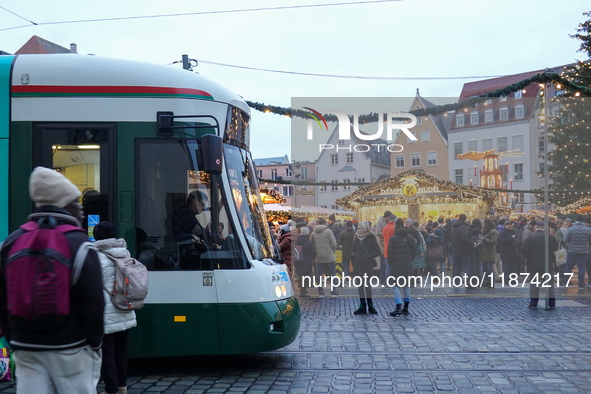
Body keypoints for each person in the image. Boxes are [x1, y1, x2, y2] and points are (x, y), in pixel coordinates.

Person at [0, 167, 104, 393]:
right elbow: (93, 302)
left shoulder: (11, 242)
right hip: (70, 347)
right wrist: (95, 343)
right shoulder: (80, 244)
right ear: (63, 205)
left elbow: (2, 299)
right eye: (76, 203)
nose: (82, 210)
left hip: (25, 346)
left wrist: (14, 338)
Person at [93, 222, 137, 394]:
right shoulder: (125, 254)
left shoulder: (96, 256)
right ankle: (122, 387)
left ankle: (111, 389)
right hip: (125, 307)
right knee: (121, 350)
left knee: (108, 352)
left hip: (106, 312)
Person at [521, 222, 557, 309]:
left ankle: (533, 303)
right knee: (549, 285)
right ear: (543, 228)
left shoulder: (531, 237)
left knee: (534, 285)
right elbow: (555, 247)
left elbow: (524, 250)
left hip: (534, 264)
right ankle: (551, 303)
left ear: (535, 228)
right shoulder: (548, 237)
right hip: (547, 264)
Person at [387, 218, 418, 316]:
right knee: (406, 286)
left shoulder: (393, 238)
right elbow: (414, 251)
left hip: (396, 265)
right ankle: (406, 307)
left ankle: (398, 306)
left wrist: (391, 262)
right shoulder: (409, 237)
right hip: (408, 264)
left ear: (395, 226)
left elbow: (390, 253)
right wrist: (410, 260)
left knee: (396, 286)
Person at [350, 222, 381, 315]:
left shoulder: (370, 238)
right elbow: (353, 250)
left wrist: (368, 256)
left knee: (367, 286)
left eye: (360, 229)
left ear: (364, 229)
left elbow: (378, 251)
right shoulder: (355, 238)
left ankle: (370, 305)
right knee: (360, 286)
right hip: (358, 265)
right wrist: (354, 255)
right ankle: (362, 305)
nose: (358, 230)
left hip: (367, 265)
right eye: (358, 228)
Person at [310, 218, 338, 296]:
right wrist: (332, 251)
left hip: (319, 256)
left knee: (319, 274)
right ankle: (333, 292)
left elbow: (311, 245)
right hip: (329, 256)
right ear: (324, 223)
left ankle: (321, 292)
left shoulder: (313, 233)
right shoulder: (328, 231)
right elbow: (334, 243)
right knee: (332, 273)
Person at [563, 215, 591, 289]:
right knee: (581, 268)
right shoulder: (588, 230)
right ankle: (581, 284)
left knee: (568, 267)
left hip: (572, 250)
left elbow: (565, 240)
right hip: (584, 251)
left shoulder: (571, 229)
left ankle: (565, 282)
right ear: (583, 221)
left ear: (576, 220)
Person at [450, 214, 472, 280]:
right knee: (467, 267)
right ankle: (468, 282)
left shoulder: (453, 227)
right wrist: (471, 243)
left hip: (455, 250)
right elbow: (464, 239)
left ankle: (456, 282)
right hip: (463, 250)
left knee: (456, 267)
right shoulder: (463, 227)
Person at [295, 227, 315, 297]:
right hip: (306, 261)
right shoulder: (308, 242)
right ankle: (302, 291)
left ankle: (302, 289)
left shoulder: (296, 241)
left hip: (298, 260)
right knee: (305, 276)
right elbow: (311, 253)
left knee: (301, 275)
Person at [375, 211, 392, 285]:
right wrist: (386, 235)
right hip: (382, 245)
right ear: (387, 217)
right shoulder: (380, 222)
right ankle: (382, 279)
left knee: (385, 263)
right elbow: (377, 233)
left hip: (385, 244)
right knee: (383, 263)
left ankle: (384, 278)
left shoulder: (385, 222)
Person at [481, 219, 498, 285]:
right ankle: (487, 281)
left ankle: (491, 281)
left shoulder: (493, 231)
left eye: (483, 224)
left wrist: (484, 239)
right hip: (485, 252)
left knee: (489, 267)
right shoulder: (485, 231)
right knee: (485, 268)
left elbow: (494, 241)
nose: (482, 225)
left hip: (489, 252)